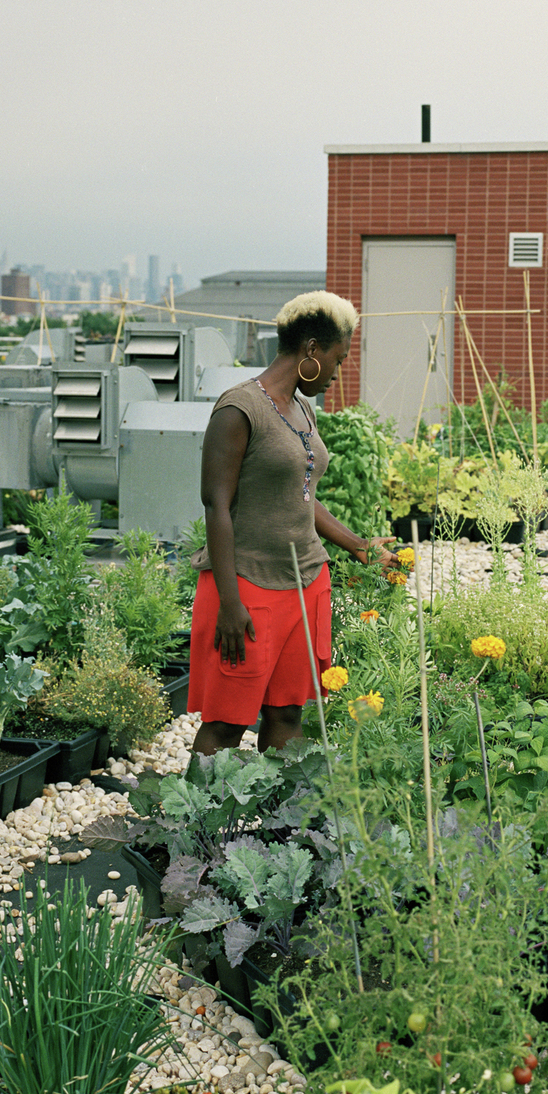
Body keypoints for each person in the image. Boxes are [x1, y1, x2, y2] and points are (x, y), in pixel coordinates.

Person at [188, 291, 394, 757]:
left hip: (306, 584)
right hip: (247, 587)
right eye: (338, 361)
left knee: (287, 714)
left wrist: (359, 546)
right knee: (227, 721)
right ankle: (196, 824)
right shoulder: (239, 409)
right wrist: (229, 600)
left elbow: (300, 497)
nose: (338, 375)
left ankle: (281, 829)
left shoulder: (303, 409)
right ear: (311, 350)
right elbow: (215, 506)